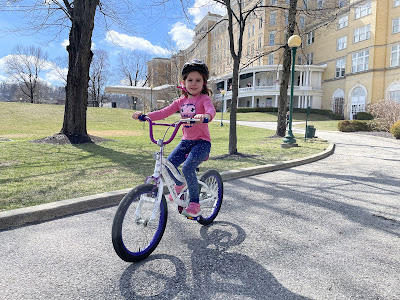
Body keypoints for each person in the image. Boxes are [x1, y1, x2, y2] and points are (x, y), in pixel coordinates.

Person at [132, 59, 216, 218]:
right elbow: (163, 112)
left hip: (202, 143)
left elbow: (211, 110)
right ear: (183, 82)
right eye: (190, 80)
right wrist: (145, 116)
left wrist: (205, 116)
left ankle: (195, 203)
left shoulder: (203, 99)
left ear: (204, 83)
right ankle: (180, 185)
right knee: (168, 165)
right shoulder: (180, 101)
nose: (193, 83)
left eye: (198, 80)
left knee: (187, 167)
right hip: (186, 142)